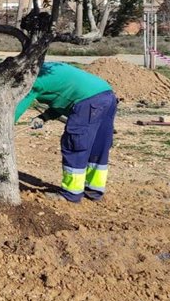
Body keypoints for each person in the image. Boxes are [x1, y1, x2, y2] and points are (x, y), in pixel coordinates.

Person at [15, 62, 117, 203]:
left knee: (75, 145)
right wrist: (44, 117)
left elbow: (13, 111)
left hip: (87, 102)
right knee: (97, 146)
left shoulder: (31, 82)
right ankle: (94, 190)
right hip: (107, 95)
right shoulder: (49, 68)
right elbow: (64, 97)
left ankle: (71, 194)